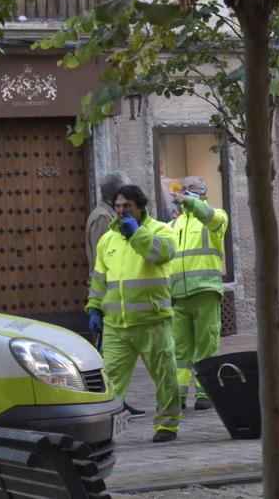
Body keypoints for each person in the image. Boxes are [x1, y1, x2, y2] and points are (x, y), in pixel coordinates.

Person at [87, 185, 183, 442]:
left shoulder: (161, 230)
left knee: (165, 375)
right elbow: (99, 279)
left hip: (153, 322)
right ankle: (104, 428)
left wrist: (138, 235)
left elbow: (162, 255)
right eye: (117, 206)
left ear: (140, 207)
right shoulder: (108, 238)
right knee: (109, 380)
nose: (121, 211)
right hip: (116, 325)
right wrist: (94, 308)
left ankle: (167, 424)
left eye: (126, 206)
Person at [84, 171, 147, 419]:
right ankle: (107, 402)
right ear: (115, 195)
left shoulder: (108, 214)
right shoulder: (102, 218)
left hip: (112, 295)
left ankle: (116, 400)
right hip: (108, 295)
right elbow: (106, 260)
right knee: (109, 357)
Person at [168, 176, 229, 411]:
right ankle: (179, 395)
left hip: (205, 290)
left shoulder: (217, 216)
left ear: (202, 193)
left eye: (190, 190)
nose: (184, 194)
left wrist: (191, 203)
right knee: (180, 351)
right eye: (184, 190)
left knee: (206, 346)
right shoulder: (173, 225)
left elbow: (209, 216)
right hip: (180, 295)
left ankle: (205, 394)